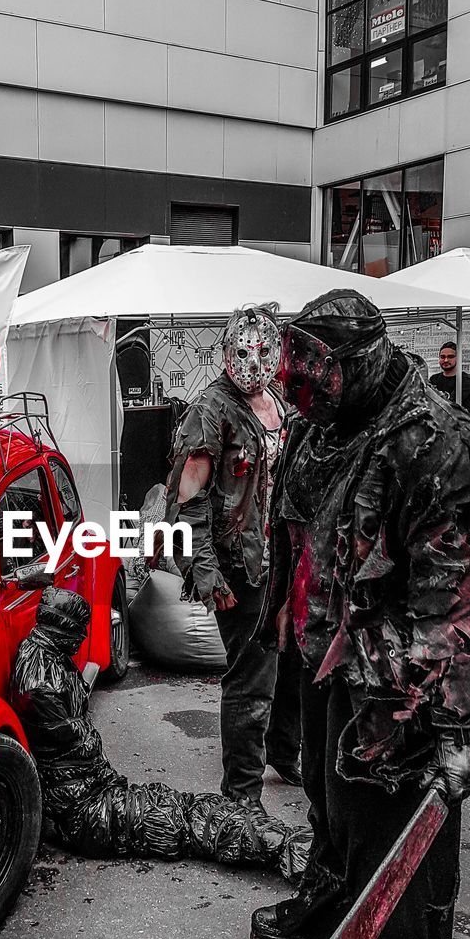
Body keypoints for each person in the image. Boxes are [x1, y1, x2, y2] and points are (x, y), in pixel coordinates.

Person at [251, 288, 470, 939]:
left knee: (400, 864)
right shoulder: (327, 427)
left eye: (318, 370)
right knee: (332, 811)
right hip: (330, 656)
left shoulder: (436, 444)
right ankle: (328, 908)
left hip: (401, 692)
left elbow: (464, 602)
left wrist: (461, 730)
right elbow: (298, 530)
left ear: (361, 362)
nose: (303, 386)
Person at [10, 588, 311, 883]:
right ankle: (283, 847)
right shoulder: (41, 682)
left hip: (93, 796)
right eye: (79, 631)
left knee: (189, 810)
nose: (83, 639)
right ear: (64, 629)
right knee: (183, 820)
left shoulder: (48, 658)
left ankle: (279, 839)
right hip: (85, 811)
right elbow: (71, 752)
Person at [164, 306, 301, 798]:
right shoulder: (210, 411)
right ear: (226, 351)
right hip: (238, 566)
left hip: (282, 559)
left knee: (293, 663)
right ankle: (240, 795)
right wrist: (205, 571)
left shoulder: (280, 405)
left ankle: (286, 753)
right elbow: (187, 500)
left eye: (263, 350)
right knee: (251, 676)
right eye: (243, 350)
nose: (252, 360)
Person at [428, 342, 470, 407]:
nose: (446, 360)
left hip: (458, 416)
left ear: (458, 358)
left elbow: (451, 404)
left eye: (450, 357)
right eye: (442, 357)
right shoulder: (434, 379)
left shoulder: (464, 380)